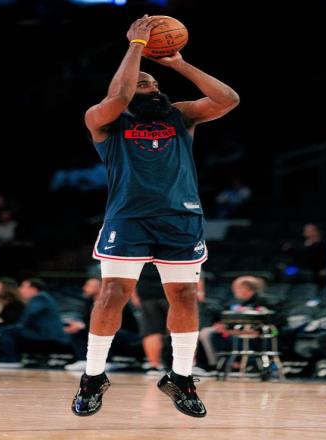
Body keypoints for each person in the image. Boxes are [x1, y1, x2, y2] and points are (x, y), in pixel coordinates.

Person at [71, 15, 239, 419]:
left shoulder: (180, 115)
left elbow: (228, 99)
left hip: (181, 218)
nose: (153, 87)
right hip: (128, 218)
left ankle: (180, 377)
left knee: (184, 296)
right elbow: (119, 94)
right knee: (113, 293)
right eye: (143, 84)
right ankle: (93, 377)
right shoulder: (105, 119)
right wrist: (137, 46)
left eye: (155, 83)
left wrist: (178, 63)